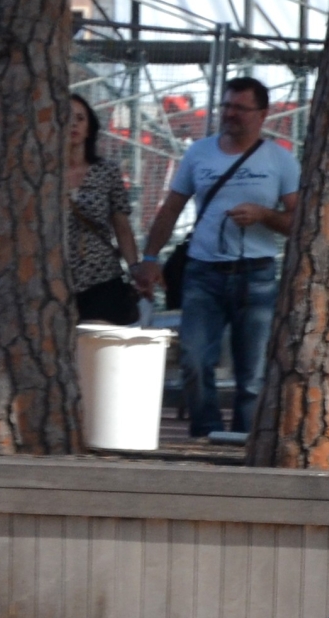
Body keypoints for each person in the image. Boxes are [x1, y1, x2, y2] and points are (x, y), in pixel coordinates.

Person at [136, 77, 299, 437]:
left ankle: (246, 441)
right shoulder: (199, 153)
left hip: (255, 274)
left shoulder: (280, 160)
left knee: (252, 374)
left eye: (240, 108)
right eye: (226, 107)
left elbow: (299, 221)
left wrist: (264, 215)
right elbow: (171, 209)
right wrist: (149, 257)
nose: (231, 115)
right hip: (203, 272)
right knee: (194, 361)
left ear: (262, 114)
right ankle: (206, 433)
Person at [65, 94, 143, 326]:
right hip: (54, 282)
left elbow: (121, 225)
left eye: (80, 118)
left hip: (100, 279)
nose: (73, 124)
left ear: (89, 129)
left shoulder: (106, 173)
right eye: (66, 117)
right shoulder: (41, 175)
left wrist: (134, 267)